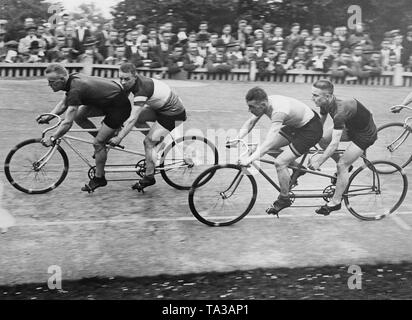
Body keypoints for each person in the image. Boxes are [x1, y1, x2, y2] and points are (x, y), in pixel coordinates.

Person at [37, 63, 132, 192]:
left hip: (118, 107)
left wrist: (53, 138)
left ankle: (99, 178)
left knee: (97, 143)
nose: (49, 84)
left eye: (51, 81)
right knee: (79, 117)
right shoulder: (71, 80)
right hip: (107, 100)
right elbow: (63, 104)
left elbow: (67, 122)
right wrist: (48, 117)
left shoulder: (75, 89)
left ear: (62, 80)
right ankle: (105, 139)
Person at [235, 87, 323, 215]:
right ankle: (297, 168)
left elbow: (269, 141)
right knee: (265, 148)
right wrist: (237, 138)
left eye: (252, 107)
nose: (249, 110)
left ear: (263, 104)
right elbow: (250, 122)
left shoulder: (278, 111)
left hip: (311, 129)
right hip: (297, 124)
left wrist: (250, 159)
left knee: (280, 162)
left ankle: (284, 198)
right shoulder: (264, 103)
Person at [108, 63, 187, 191]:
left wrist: (119, 138)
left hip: (173, 113)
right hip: (160, 107)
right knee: (141, 122)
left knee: (148, 142)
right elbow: (122, 105)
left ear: (135, 76)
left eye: (126, 79)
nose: (123, 82)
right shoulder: (131, 83)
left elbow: (132, 119)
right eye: (120, 78)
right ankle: (158, 141)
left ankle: (149, 176)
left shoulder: (141, 89)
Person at [309, 79, 377, 215]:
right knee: (321, 139)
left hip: (365, 135)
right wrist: (308, 139)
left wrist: (319, 160)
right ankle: (347, 167)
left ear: (327, 96)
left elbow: (334, 144)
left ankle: (336, 202)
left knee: (341, 165)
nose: (312, 98)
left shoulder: (339, 112)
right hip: (350, 127)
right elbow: (319, 128)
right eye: (312, 94)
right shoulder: (325, 103)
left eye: (315, 96)